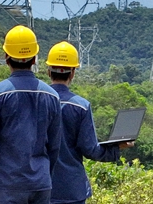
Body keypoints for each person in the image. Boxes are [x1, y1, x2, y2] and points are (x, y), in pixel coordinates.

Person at [0, 25, 62, 204]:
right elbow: (55, 145)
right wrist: (44, 175)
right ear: (34, 59)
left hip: (8, 185)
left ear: (6, 57)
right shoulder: (52, 96)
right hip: (41, 184)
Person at [46, 41, 131, 204]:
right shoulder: (81, 106)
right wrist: (115, 148)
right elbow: (90, 149)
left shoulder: (37, 102)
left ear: (49, 71)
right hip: (72, 189)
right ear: (72, 73)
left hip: (40, 186)